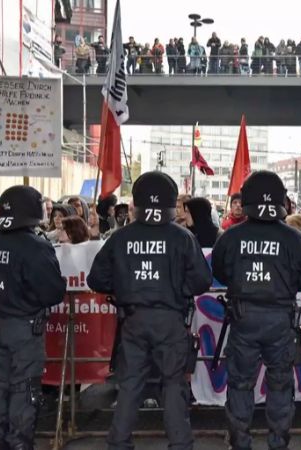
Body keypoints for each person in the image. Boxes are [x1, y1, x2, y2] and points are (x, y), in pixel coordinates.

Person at [88, 171, 212, 450]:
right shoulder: (183, 237)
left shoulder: (121, 238)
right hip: (171, 319)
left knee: (130, 384)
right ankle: (180, 444)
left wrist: (125, 284)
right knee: (173, 385)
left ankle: (118, 443)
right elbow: (201, 281)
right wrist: (175, 285)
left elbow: (96, 279)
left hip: (133, 319)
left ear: (137, 202)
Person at [211, 171, 301, 450]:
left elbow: (220, 273)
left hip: (243, 318)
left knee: (240, 385)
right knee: (280, 385)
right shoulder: (294, 238)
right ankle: (278, 443)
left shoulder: (231, 237)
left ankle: (240, 443)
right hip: (280, 319)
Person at [0, 186, 66, 450]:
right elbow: (52, 292)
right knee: (25, 388)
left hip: (0, 323)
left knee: (0, 384)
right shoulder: (35, 246)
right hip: (26, 327)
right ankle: (19, 443)